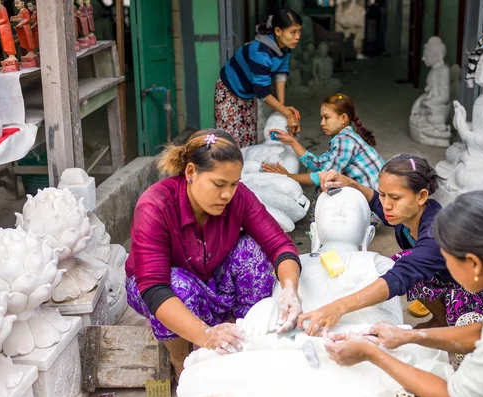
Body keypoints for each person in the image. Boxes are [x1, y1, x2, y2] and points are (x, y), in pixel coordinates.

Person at [325, 190, 483, 397]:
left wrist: (372, 354)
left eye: (448, 261)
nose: (446, 269)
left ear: (474, 263)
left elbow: (452, 395)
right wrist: (408, 336)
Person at [125, 130, 302, 377]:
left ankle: (244, 337)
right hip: (158, 288)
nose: (227, 194)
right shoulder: (156, 204)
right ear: (190, 173)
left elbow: (279, 244)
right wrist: (205, 336)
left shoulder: (237, 198)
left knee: (251, 250)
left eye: (233, 184)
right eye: (219, 184)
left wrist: (290, 289)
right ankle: (180, 361)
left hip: (212, 276)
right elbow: (154, 287)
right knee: (178, 287)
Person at [297, 154, 483, 335]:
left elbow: (400, 277)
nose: (386, 205)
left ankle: (452, 323)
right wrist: (350, 183)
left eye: (395, 198)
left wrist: (338, 308)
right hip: (446, 276)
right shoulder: (406, 215)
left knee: (403, 264)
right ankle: (440, 318)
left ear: (422, 196)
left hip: (475, 289)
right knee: (405, 261)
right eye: (384, 194)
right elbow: (374, 201)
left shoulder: (436, 233)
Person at [216, 8, 302, 148]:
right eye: (293, 32)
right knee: (229, 140)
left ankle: (243, 168)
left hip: (249, 91)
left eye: (299, 31)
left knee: (248, 136)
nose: (297, 36)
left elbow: (281, 73)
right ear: (278, 31)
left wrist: (282, 106)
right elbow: (263, 93)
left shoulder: (285, 47)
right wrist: (287, 113)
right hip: (229, 89)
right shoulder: (260, 52)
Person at [262, 93, 385, 191]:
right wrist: (292, 142)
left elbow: (324, 175)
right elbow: (319, 165)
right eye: (322, 118)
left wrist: (289, 176)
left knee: (325, 188)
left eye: (326, 117)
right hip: (374, 197)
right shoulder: (342, 138)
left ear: (343, 119)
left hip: (376, 204)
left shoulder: (345, 141)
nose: (322, 123)